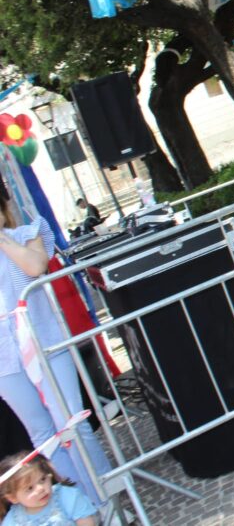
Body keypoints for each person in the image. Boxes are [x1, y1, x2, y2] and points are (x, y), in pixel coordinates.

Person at [0, 195, 111, 508]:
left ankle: (107, 497)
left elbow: (36, 267)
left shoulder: (28, 234)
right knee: (43, 435)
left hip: (46, 343)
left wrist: (2, 238)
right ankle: (81, 505)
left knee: (71, 424)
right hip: (5, 360)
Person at [0, 454, 97, 525]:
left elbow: (87, 523)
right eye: (30, 488)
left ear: (48, 475)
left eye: (42, 479)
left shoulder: (66, 496)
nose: (40, 488)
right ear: (13, 498)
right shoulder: (13, 521)